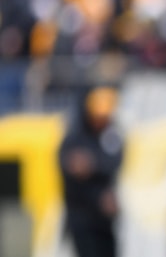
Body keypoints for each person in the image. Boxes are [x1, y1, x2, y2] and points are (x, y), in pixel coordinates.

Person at [58, 84, 124, 257]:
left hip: (106, 220)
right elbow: (72, 173)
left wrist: (92, 165)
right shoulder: (73, 138)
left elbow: (115, 162)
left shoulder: (111, 135)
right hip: (81, 218)